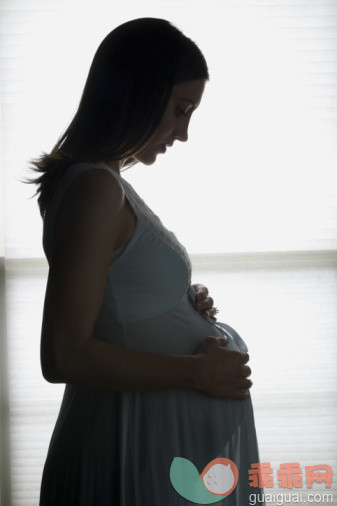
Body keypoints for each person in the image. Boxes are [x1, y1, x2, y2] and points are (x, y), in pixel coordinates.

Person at [25, 17, 264, 505]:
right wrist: (196, 372)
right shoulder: (94, 188)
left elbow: (113, 304)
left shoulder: (102, 181)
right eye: (180, 109)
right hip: (127, 444)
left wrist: (175, 303)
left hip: (148, 441)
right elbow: (63, 354)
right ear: (135, 92)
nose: (183, 132)